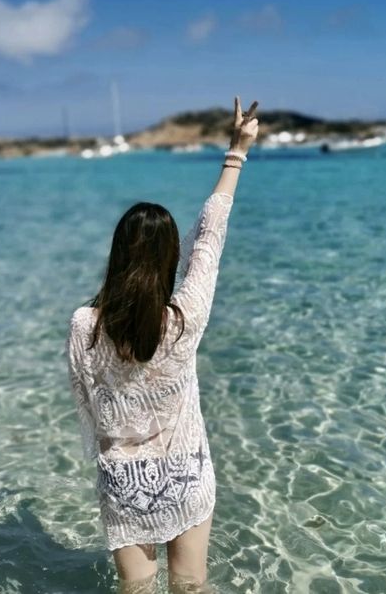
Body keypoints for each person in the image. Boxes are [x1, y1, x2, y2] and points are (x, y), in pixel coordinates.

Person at [66, 95, 259, 593]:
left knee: (137, 588)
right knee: (191, 584)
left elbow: (87, 404)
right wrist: (236, 153)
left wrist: (111, 453)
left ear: (117, 254)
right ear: (170, 256)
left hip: (124, 481)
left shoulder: (85, 325)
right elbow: (209, 239)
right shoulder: (184, 318)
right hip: (185, 474)